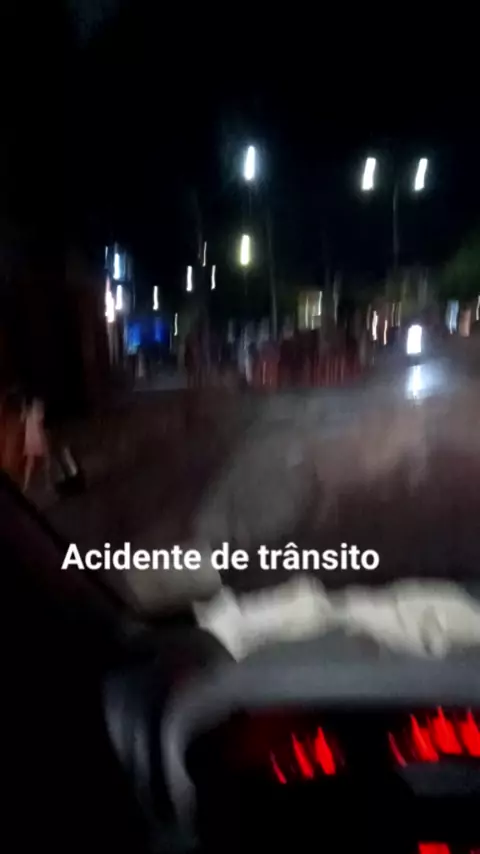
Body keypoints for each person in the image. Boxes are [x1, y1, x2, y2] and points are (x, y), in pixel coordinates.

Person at [22, 397, 50, 493]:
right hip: (35, 436)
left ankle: (27, 485)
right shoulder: (36, 404)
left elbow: (23, 420)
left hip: (33, 436)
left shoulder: (32, 405)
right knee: (44, 459)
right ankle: (47, 483)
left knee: (33, 462)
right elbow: (39, 422)